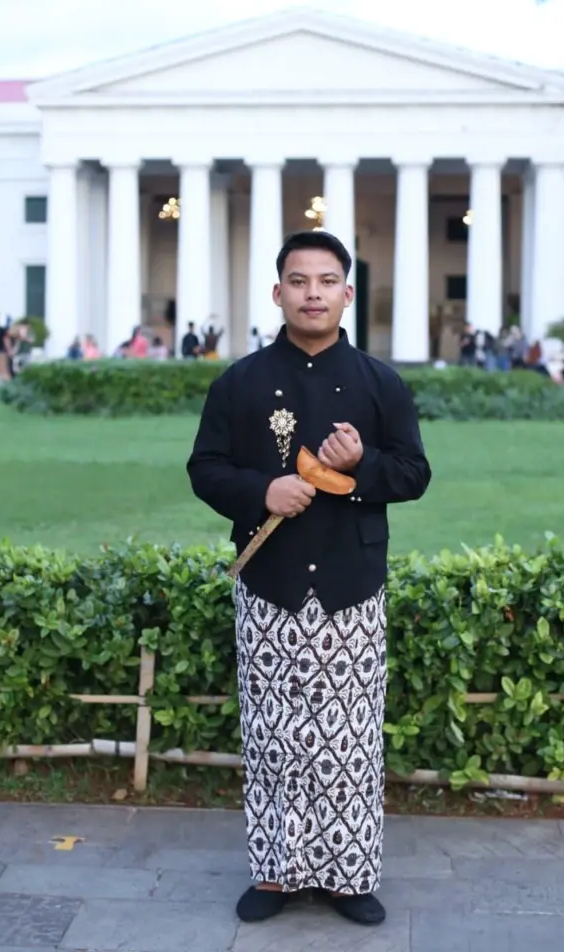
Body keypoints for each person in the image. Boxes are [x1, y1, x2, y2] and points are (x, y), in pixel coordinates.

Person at [187, 230, 432, 927]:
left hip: (352, 585)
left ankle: (348, 876)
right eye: (299, 281)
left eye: (327, 281)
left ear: (347, 293)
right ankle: (275, 875)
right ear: (278, 292)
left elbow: (414, 474)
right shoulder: (238, 383)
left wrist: (358, 469)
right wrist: (262, 491)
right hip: (270, 581)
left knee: (348, 739)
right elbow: (205, 469)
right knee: (273, 735)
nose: (313, 293)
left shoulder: (381, 383)